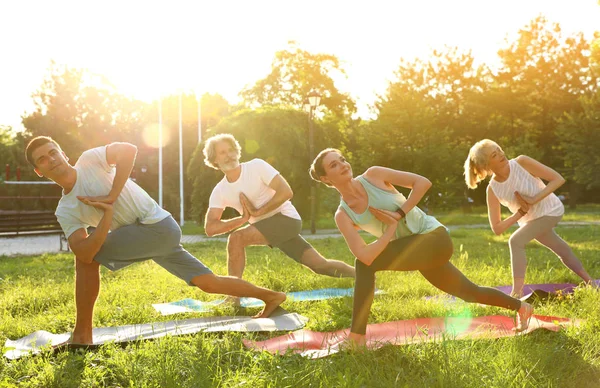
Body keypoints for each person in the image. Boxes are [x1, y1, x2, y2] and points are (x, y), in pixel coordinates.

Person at [25, 136, 286, 345]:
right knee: (207, 283)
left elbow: (128, 149)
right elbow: (82, 250)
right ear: (39, 171)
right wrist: (106, 216)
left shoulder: (90, 160)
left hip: (156, 227)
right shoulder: (66, 209)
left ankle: (82, 336)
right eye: (43, 160)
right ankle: (272, 296)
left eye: (53, 152)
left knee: (86, 263)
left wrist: (111, 197)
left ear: (63, 153)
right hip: (148, 234)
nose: (51, 159)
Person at [309, 148, 534, 346]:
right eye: (333, 165)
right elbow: (365, 255)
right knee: (468, 292)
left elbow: (422, 182)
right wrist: (389, 229)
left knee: (364, 266)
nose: (343, 165)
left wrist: (398, 214)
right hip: (416, 251)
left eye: (342, 159)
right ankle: (522, 308)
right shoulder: (343, 215)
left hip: (434, 238)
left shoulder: (374, 175)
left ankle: (357, 337)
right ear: (326, 179)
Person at [203, 134, 355, 302]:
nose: (229, 155)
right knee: (320, 265)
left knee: (236, 238)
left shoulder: (256, 166)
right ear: (214, 160)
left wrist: (257, 212)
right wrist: (243, 218)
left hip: (286, 219)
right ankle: (363, 275)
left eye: (231, 150)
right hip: (269, 229)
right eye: (223, 152)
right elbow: (211, 228)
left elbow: (286, 192)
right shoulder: (220, 190)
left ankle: (233, 296)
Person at [464, 139, 593, 297]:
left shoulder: (522, 162)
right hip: (531, 221)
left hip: (551, 210)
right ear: (486, 165)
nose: (501, 154)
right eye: (494, 154)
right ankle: (590, 283)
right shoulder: (493, 189)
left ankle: (516, 293)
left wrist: (533, 200)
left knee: (515, 241)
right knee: (562, 250)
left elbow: (558, 179)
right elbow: (497, 228)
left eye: (499, 149)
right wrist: (519, 214)